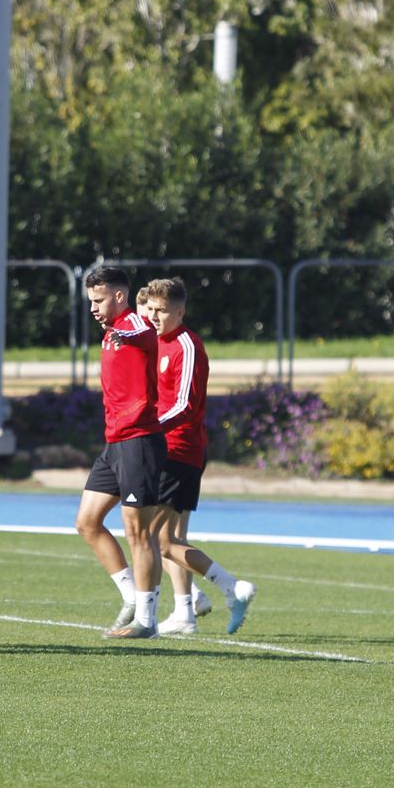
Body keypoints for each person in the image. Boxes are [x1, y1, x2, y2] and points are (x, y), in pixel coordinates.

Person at [138, 278, 257, 636]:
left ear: (180, 311)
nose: (155, 316)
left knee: (153, 538)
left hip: (179, 450)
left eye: (162, 310)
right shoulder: (156, 341)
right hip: (164, 448)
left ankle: (230, 588)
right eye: (152, 309)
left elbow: (184, 405)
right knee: (164, 538)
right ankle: (187, 610)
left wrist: (148, 426)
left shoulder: (187, 346)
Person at [75, 265, 167, 640]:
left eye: (99, 301)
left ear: (119, 296)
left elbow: (141, 331)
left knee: (137, 531)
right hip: (115, 443)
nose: (93, 308)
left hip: (140, 442)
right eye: (90, 301)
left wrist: (126, 324)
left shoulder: (135, 327)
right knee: (87, 522)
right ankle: (131, 596)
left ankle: (147, 620)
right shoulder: (111, 332)